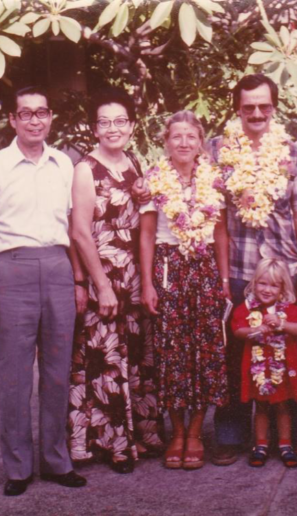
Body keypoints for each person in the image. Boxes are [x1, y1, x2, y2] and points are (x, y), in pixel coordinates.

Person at [210, 73, 297, 465]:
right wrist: (222, 275)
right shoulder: (218, 149)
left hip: (283, 268)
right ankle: (232, 434)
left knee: (284, 349)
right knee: (238, 351)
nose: (256, 113)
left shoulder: (291, 152)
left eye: (264, 106)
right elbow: (215, 215)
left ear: (274, 107)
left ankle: (288, 433)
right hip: (239, 267)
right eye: (248, 106)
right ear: (236, 108)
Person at [68, 88, 164, 474]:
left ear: (132, 125)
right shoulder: (85, 169)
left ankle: (136, 435)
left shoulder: (135, 164)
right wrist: (101, 285)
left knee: (133, 357)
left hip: (133, 278)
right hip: (103, 278)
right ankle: (107, 443)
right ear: (94, 128)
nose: (113, 128)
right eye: (104, 122)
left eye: (120, 120)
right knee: (104, 361)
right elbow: (79, 231)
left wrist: (145, 278)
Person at [0, 86, 86, 496]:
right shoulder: (0, 166)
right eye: (25, 113)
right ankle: (17, 467)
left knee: (57, 371)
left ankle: (55, 460)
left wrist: (79, 280)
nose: (35, 120)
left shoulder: (65, 166)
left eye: (42, 112)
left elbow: (76, 227)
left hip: (57, 267)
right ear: (12, 120)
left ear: (51, 118)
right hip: (11, 269)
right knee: (14, 374)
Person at [140, 110, 230, 470]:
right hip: (168, 269)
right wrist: (147, 283)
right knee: (172, 353)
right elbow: (146, 234)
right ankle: (176, 432)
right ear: (166, 141)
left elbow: (221, 233)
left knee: (205, 352)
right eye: (176, 136)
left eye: (191, 137)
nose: (183, 143)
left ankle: (196, 432)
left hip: (205, 269)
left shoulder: (214, 179)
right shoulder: (154, 179)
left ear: (201, 143)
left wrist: (223, 281)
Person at [232, 259, 297, 469]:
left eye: (274, 285)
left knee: (284, 406)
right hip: (258, 370)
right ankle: (261, 445)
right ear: (254, 283)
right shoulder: (247, 308)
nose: (267, 290)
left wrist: (281, 324)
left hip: (281, 369)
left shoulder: (289, 309)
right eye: (262, 284)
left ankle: (285, 444)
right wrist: (256, 331)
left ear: (283, 288)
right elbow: (237, 330)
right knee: (261, 407)